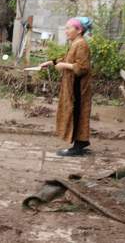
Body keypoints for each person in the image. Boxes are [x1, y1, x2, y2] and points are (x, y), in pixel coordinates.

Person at [40, 16, 93, 157]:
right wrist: (51, 62)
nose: (66, 31)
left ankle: (77, 146)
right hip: (73, 85)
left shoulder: (81, 44)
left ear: (79, 30)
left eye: (68, 28)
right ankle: (81, 142)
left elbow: (82, 68)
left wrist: (63, 66)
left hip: (78, 87)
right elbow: (68, 59)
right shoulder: (76, 43)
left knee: (76, 112)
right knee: (76, 112)